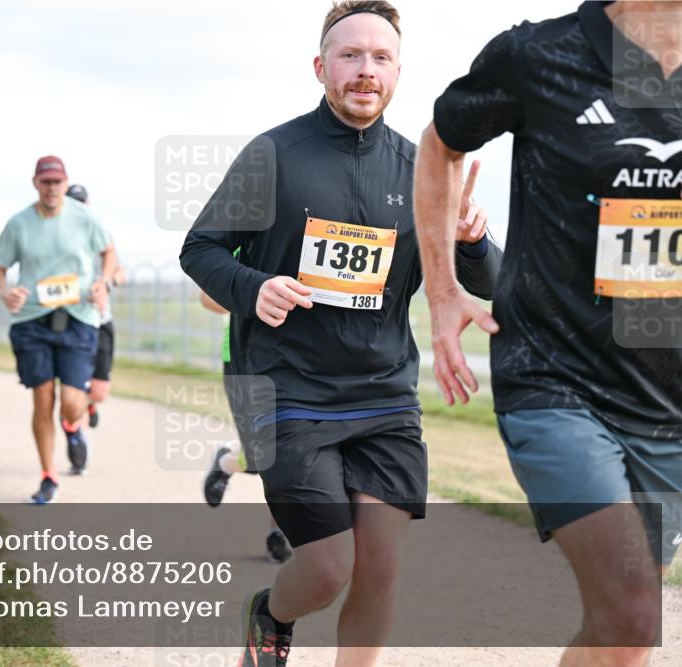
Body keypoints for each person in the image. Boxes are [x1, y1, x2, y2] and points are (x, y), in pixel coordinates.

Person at [179, 3, 501, 665]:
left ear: (398, 72)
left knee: (379, 568)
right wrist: (255, 286)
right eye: (350, 55)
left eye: (380, 58)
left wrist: (471, 240)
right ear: (320, 67)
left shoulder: (423, 170)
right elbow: (201, 248)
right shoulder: (273, 154)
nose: (365, 70)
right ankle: (270, 614)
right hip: (290, 391)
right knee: (328, 567)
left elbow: (491, 280)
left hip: (383, 398)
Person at [414, 2, 681, 665]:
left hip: (667, 400)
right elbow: (442, 142)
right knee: (630, 609)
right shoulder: (539, 56)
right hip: (556, 377)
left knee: (622, 635)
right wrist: (444, 290)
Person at [0, 157, 117, 504]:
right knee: (42, 398)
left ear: (66, 183)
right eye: (45, 182)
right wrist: (6, 293)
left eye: (57, 182)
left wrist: (103, 282)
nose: (51, 188)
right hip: (31, 320)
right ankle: (49, 475)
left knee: (72, 403)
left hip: (77, 317)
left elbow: (109, 252)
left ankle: (74, 426)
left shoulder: (86, 218)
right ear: (35, 183)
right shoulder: (18, 224)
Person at [200, 287, 293, 565]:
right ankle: (228, 461)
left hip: (299, 355)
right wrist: (252, 299)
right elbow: (207, 297)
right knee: (260, 456)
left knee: (288, 448)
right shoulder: (240, 242)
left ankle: (279, 532)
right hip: (243, 354)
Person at [66, 183, 127, 429]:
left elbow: (120, 272)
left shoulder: (101, 236)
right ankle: (72, 427)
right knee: (71, 387)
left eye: (82, 204)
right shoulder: (58, 242)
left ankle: (86, 404)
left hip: (101, 320)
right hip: (70, 321)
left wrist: (106, 284)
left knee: (99, 391)